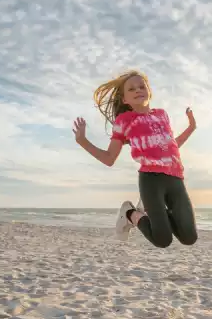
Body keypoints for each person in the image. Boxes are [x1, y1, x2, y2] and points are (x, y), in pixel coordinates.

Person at [72, 70, 198, 248]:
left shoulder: (162, 114)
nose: (138, 90)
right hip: (151, 180)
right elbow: (109, 159)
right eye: (131, 89)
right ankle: (130, 213)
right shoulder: (124, 120)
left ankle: (151, 209)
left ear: (149, 92)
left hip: (176, 178)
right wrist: (82, 141)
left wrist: (191, 127)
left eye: (141, 86)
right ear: (125, 100)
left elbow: (172, 146)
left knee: (189, 238)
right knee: (163, 240)